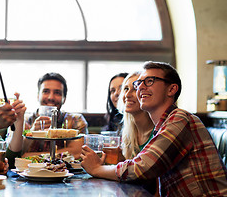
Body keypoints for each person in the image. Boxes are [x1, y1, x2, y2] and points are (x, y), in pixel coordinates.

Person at [81, 61, 227, 196]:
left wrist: (96, 169)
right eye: (139, 83)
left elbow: (142, 168)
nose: (141, 87)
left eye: (149, 81)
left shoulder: (180, 119)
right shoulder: (162, 126)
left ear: (171, 89)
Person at [24, 72, 88, 158]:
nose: (51, 97)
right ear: (38, 96)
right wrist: (32, 132)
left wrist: (29, 156)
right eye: (46, 91)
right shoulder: (24, 121)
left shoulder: (75, 120)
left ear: (64, 99)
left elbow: (77, 152)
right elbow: (15, 153)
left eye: (57, 93)